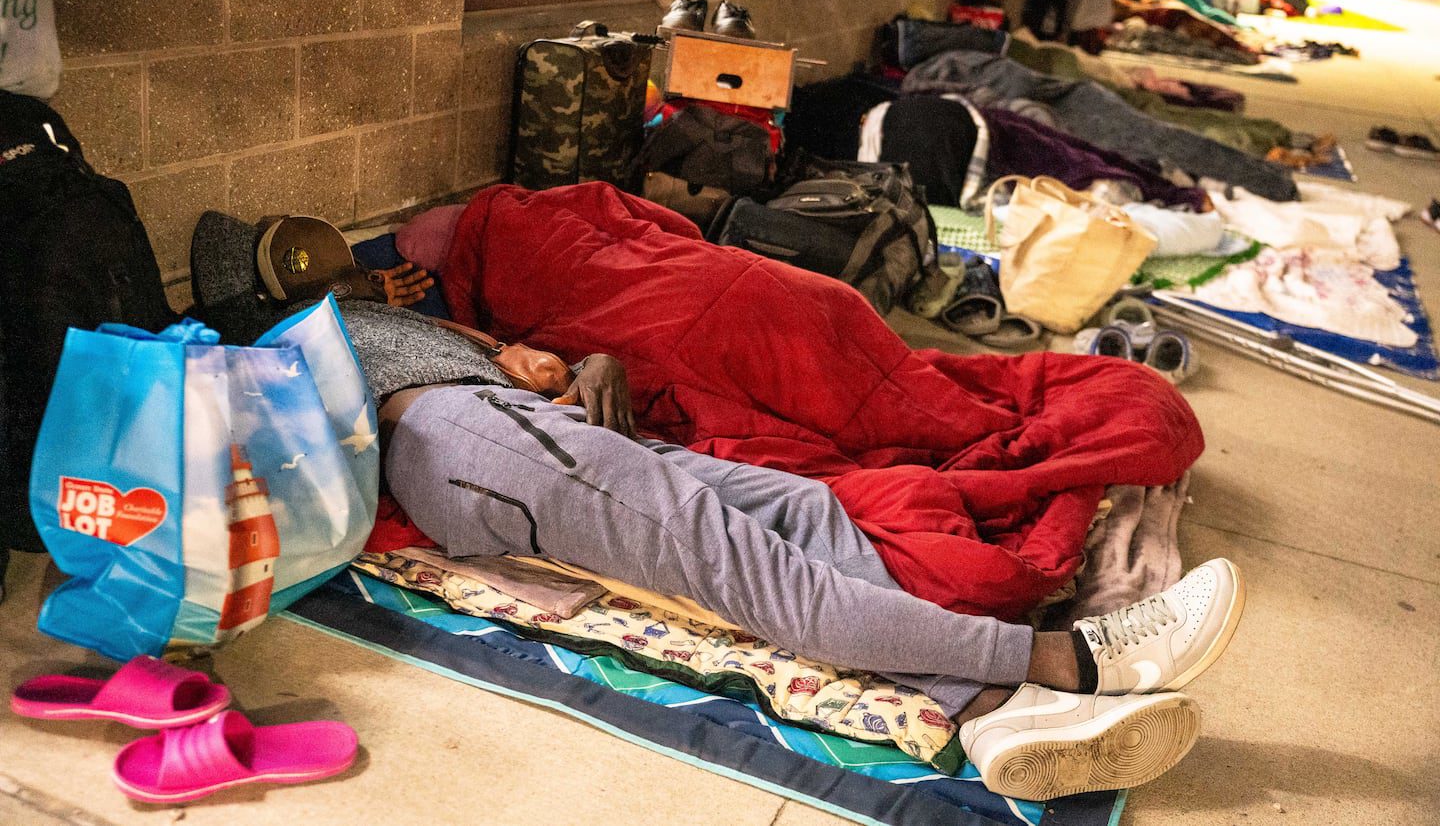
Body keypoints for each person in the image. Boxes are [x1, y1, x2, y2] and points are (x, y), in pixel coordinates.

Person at [190, 210, 1244, 802]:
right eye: (317, 262)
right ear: (282, 290)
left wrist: (583, 367)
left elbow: (549, 363)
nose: (354, 270)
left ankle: (987, 720)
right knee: (741, 564)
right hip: (469, 451)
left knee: (800, 511)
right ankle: (1072, 664)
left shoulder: (403, 324)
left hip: (523, 436)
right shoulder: (304, 338)